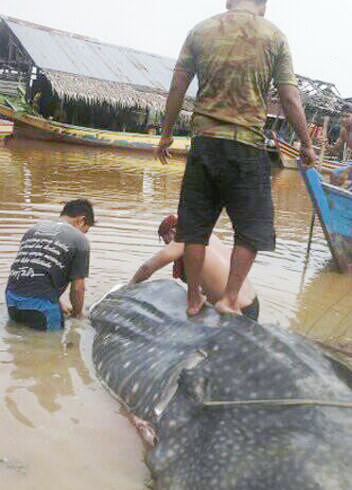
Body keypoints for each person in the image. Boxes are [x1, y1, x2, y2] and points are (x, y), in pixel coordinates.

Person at [154, 0, 316, 317]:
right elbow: (289, 97)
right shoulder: (274, 36)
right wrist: (307, 144)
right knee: (252, 228)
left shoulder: (200, 30)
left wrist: (165, 134)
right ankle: (229, 299)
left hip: (204, 144)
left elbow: (177, 85)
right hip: (246, 146)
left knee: (194, 229)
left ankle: (192, 300)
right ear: (263, 5)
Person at [129, 215, 260, 321]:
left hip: (235, 310)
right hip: (252, 302)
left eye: (166, 241)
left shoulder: (184, 240)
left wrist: (130, 286)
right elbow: (213, 277)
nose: (167, 246)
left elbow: (147, 268)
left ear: (173, 232)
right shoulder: (208, 235)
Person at [5, 199, 94, 331]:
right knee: (52, 348)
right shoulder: (79, 240)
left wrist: (58, 303)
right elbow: (78, 288)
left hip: (11, 299)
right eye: (84, 230)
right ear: (81, 220)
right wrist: (77, 314)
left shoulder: (34, 229)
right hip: (41, 308)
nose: (83, 234)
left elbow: (37, 271)